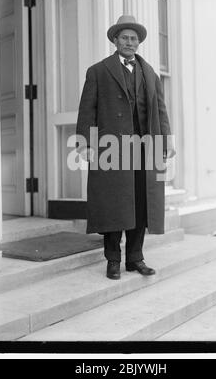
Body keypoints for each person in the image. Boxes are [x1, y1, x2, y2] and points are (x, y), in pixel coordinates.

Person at [76, 15, 175, 280]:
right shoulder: (98, 71)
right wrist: (85, 144)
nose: (129, 42)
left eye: (134, 39)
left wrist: (166, 140)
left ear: (138, 43)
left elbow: (161, 110)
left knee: (141, 204)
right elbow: (87, 110)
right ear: (115, 40)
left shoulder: (150, 72)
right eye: (125, 38)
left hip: (145, 147)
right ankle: (112, 260)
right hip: (111, 149)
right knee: (113, 205)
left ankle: (135, 258)